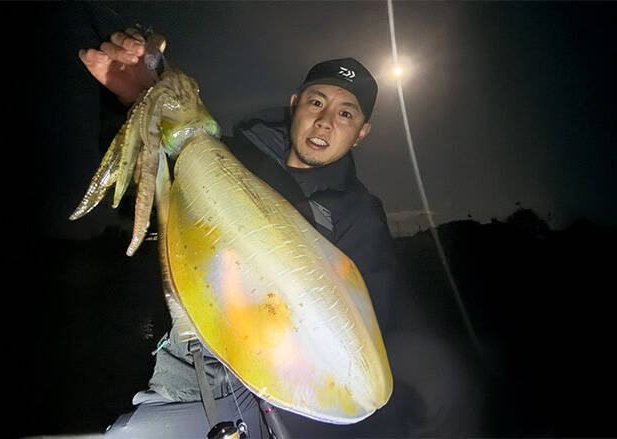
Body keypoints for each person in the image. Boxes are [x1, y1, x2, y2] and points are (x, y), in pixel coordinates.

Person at [79, 28, 397, 438]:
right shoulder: (226, 152)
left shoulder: (361, 215)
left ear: (362, 132)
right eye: (316, 102)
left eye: (346, 113)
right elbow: (139, 191)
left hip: (280, 391)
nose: (324, 121)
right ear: (295, 104)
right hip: (190, 372)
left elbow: (358, 340)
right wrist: (135, 98)